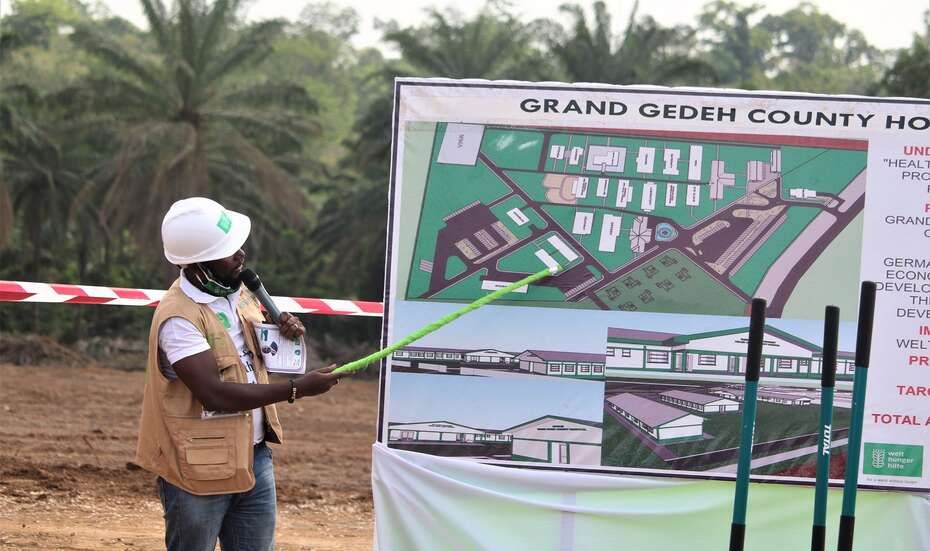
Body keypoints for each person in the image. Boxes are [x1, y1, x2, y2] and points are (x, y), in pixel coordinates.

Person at [134, 197, 344, 551]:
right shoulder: (178, 318)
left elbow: (250, 357)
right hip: (197, 467)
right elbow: (215, 394)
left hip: (254, 454)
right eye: (228, 251)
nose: (241, 255)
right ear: (200, 263)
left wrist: (282, 333)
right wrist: (297, 389)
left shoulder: (239, 292)